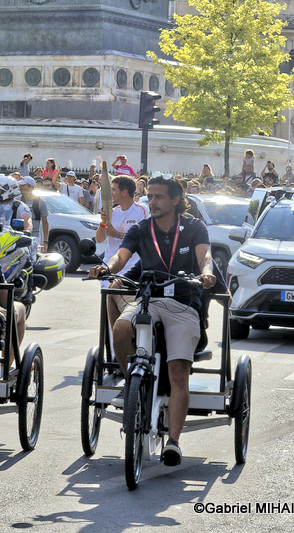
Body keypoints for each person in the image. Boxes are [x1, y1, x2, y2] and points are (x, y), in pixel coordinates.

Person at [88, 175, 216, 466]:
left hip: (183, 304)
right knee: (122, 327)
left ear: (174, 200)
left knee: (178, 372)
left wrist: (206, 272)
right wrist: (106, 267)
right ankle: (131, 382)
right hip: (149, 299)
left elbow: (205, 257)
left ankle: (173, 442)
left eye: (158, 197)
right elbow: (121, 256)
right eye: (151, 197)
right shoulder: (143, 229)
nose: (152, 202)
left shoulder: (194, 227)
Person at [95, 175, 150, 328]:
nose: (111, 193)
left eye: (114, 189)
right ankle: (112, 350)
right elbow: (100, 239)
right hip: (110, 268)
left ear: (124, 192)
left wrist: (118, 234)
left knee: (128, 316)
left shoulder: (141, 210)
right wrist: (103, 223)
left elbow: (144, 237)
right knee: (109, 316)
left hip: (131, 270)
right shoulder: (112, 212)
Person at [18, 176, 49, 251]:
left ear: (30, 186)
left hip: (34, 237)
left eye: (23, 185)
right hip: (19, 236)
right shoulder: (17, 201)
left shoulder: (41, 203)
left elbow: (45, 222)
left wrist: (45, 241)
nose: (20, 187)